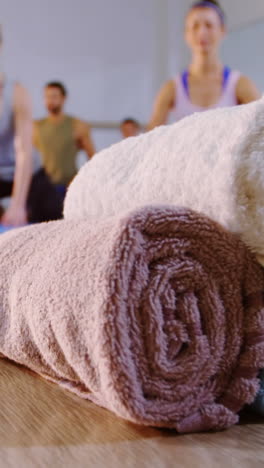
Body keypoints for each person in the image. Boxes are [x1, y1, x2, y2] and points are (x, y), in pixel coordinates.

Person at [148, 0, 261, 130]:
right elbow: (149, 140)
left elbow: (259, 134)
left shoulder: (240, 85)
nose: (202, 33)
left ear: (222, 30)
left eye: (209, 25)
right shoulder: (170, 89)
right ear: (186, 34)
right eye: (195, 26)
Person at [0, 27, 61, 226]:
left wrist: (17, 205)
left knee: (54, 218)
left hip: (29, 173)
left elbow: (23, 152)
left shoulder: (16, 93)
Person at [34, 82, 96, 201]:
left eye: (54, 96)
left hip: (68, 187)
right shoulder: (36, 127)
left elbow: (93, 160)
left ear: (63, 98)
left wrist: (82, 181)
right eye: (47, 97)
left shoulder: (78, 125)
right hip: (43, 188)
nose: (50, 100)